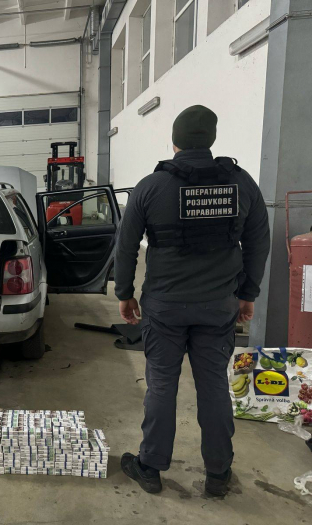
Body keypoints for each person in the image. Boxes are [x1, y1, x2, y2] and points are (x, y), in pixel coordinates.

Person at [114, 105, 270, 496]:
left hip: (164, 306)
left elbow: (126, 246)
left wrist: (124, 294)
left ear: (175, 141)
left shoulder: (151, 186)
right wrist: (247, 294)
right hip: (219, 305)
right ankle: (218, 474)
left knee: (162, 384)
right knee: (214, 385)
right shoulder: (242, 184)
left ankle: (150, 467)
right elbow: (257, 243)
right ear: (211, 140)